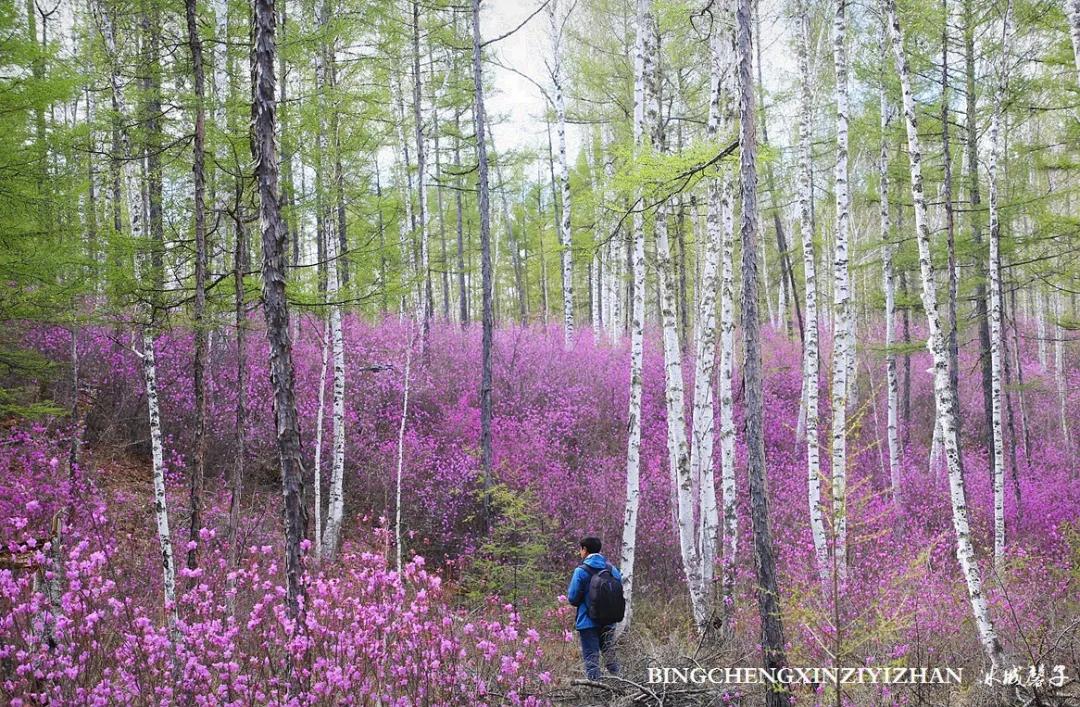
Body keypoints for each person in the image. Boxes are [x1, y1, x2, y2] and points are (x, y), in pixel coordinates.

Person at [566, 536, 623, 680]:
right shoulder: (613, 570)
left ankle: (595, 691)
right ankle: (622, 683)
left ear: (584, 550)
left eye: (580, 549)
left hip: (588, 622)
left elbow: (572, 598)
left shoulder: (581, 571)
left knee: (592, 659)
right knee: (610, 656)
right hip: (609, 620)